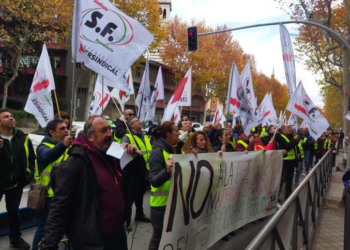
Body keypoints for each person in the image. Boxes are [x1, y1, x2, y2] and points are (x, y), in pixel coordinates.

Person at [40, 116, 138, 250]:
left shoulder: (110, 154)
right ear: (90, 137)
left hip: (117, 233)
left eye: (110, 129)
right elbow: (59, 209)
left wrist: (132, 157)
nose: (110, 133)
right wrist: (48, 246)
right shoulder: (75, 164)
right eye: (103, 130)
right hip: (93, 240)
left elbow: (132, 181)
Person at [32, 119, 73, 250]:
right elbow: (48, 156)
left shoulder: (66, 146)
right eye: (62, 129)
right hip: (47, 196)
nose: (66, 130)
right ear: (51, 132)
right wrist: (62, 145)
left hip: (63, 194)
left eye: (66, 128)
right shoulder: (44, 147)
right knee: (45, 228)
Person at [0, 109, 35, 249]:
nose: (11, 118)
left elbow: (31, 158)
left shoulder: (22, 137)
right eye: (6, 116)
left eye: (11, 116)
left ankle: (15, 239)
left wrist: (28, 175)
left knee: (14, 213)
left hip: (16, 184)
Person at [148, 121, 179, 250]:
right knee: (158, 237)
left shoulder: (172, 149)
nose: (179, 133)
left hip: (171, 202)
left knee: (168, 237)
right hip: (160, 205)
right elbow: (154, 180)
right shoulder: (157, 153)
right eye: (176, 131)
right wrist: (166, 171)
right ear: (168, 134)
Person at [122, 116, 152, 231]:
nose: (139, 122)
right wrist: (133, 150)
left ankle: (139, 214)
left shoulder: (144, 136)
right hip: (133, 171)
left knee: (140, 193)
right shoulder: (128, 136)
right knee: (131, 196)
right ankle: (126, 221)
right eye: (136, 121)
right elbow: (124, 150)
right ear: (131, 125)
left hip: (144, 169)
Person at [275, 124, 299, 200]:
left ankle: (288, 195)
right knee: (281, 180)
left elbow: (295, 146)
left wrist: (297, 152)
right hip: (284, 162)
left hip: (291, 161)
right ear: (283, 129)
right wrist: (295, 140)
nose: (290, 129)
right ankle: (276, 197)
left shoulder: (291, 136)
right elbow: (287, 146)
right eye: (288, 127)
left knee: (289, 180)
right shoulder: (280, 137)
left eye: (291, 127)